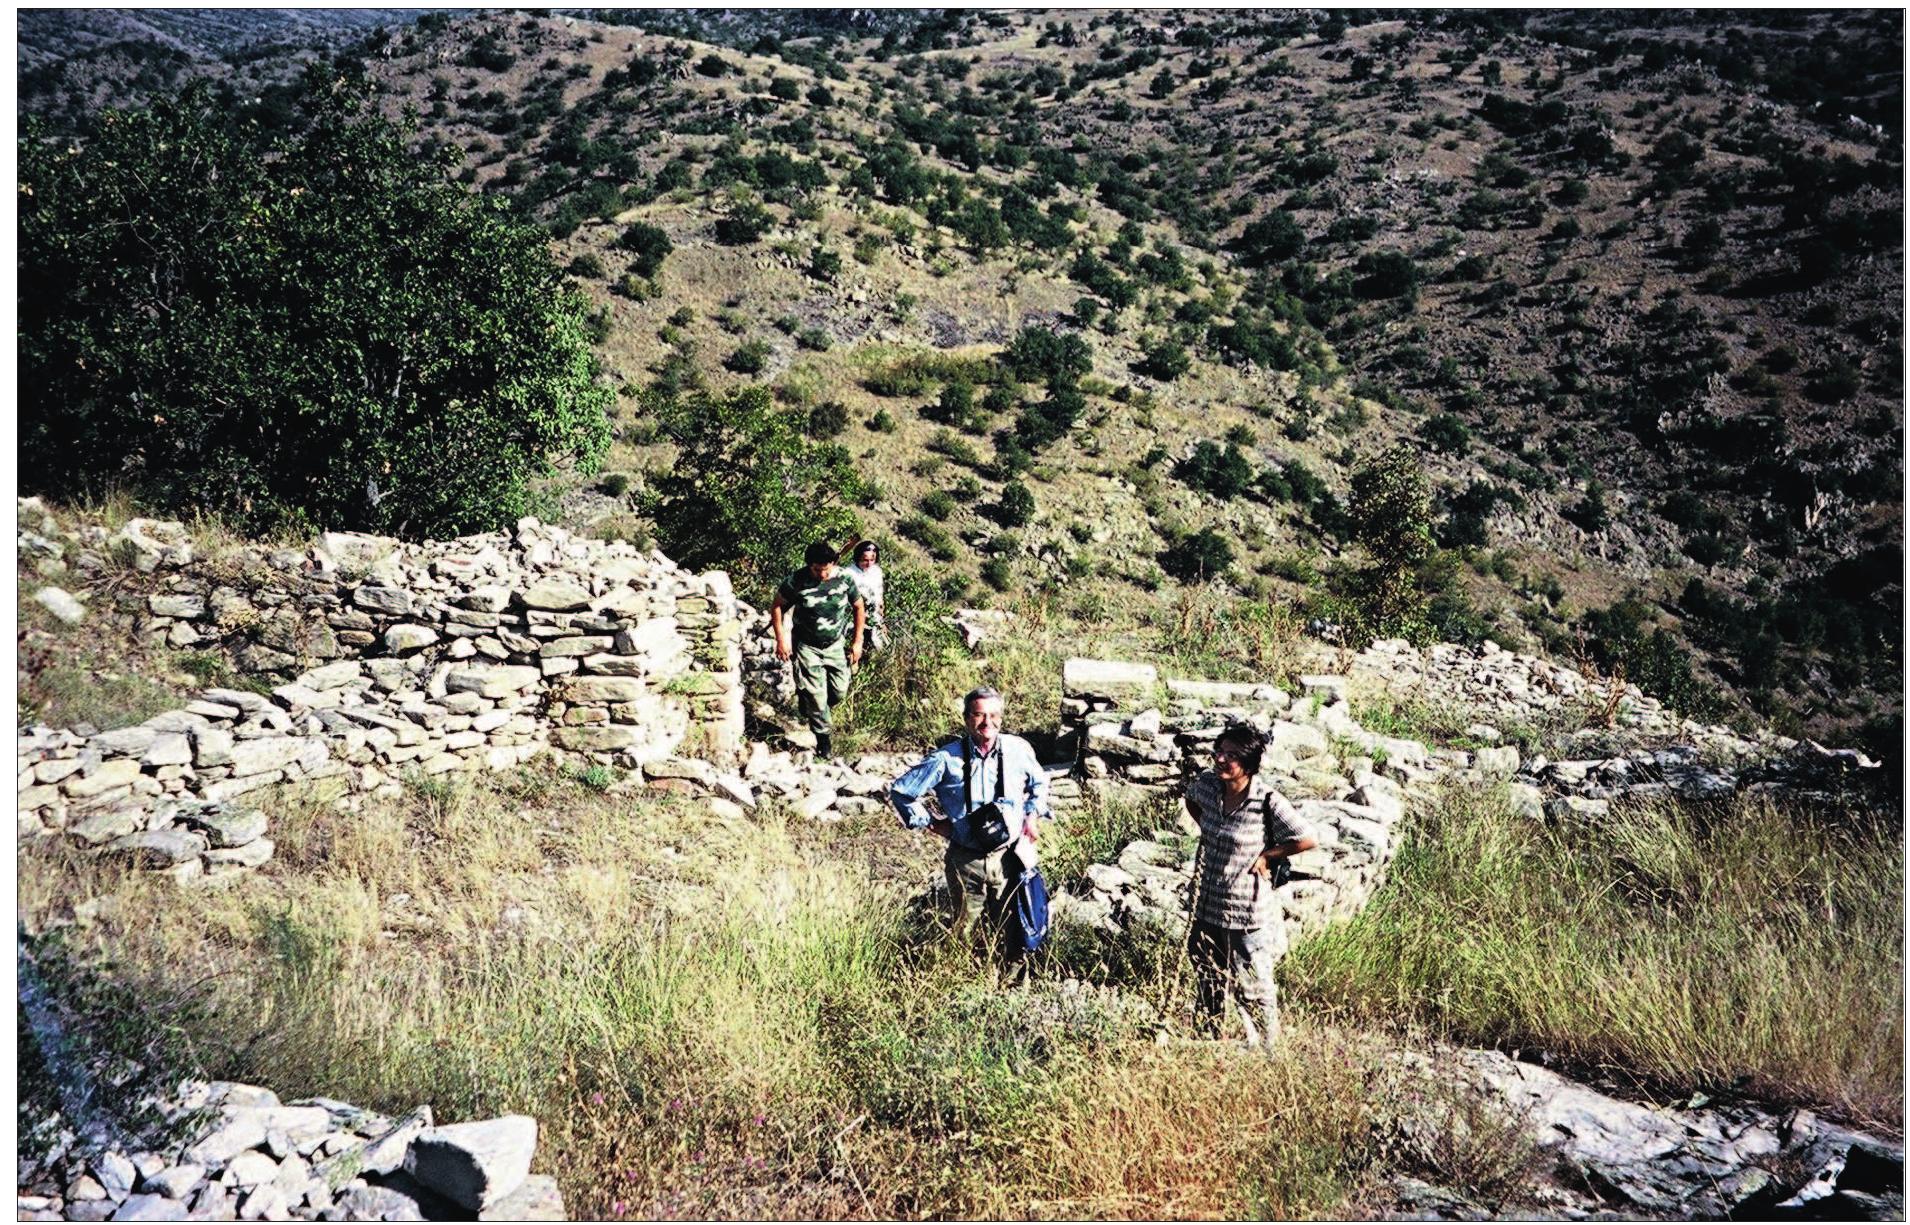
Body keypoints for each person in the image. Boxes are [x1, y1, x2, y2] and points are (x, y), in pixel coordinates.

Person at [891, 686, 1051, 973]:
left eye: (994, 715)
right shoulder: (945, 759)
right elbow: (902, 791)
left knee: (1012, 924)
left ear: (1001, 717)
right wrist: (932, 822)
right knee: (966, 926)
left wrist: (1032, 815)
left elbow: (1040, 782)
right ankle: (968, 977)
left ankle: (1011, 981)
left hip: (1009, 856)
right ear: (966, 718)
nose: (987, 722)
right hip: (966, 859)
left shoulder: (1018, 750)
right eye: (979, 715)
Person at [1182, 721, 1316, 1047]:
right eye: (1219, 751)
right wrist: (1209, 829)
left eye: (1231, 755)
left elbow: (1306, 839)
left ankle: (1267, 1050)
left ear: (1249, 762)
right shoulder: (1208, 785)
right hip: (1206, 903)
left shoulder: (1266, 800)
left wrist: (1268, 856)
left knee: (1253, 985)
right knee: (1208, 977)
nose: (1221, 759)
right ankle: (1210, 1039)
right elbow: (1190, 800)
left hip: (1244, 910)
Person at [771, 540, 865, 761]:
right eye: (816, 570)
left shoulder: (845, 578)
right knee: (816, 696)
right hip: (806, 646)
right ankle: (823, 740)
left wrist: (857, 641)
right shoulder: (796, 580)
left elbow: (858, 606)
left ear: (833, 564)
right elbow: (777, 607)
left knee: (839, 691)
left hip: (835, 644)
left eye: (826, 569)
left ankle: (811, 704)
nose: (822, 574)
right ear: (809, 565)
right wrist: (781, 639)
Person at [842, 539, 886, 656]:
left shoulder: (876, 572)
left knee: (876, 645)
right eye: (865, 560)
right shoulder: (848, 573)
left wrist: (881, 619)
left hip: (872, 614)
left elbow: (879, 596)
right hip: (852, 614)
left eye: (872, 560)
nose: (869, 563)